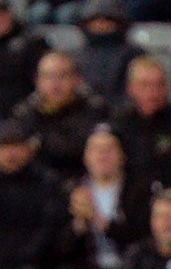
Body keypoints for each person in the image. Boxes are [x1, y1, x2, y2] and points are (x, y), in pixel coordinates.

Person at [46, 123, 150, 269]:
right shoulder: (71, 190)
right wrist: (80, 222)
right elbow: (60, 246)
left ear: (122, 155)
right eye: (95, 149)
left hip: (127, 264)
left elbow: (141, 236)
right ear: (86, 157)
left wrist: (99, 219)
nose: (102, 155)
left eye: (109, 149)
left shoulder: (139, 189)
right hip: (88, 267)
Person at [109, 55, 171, 198]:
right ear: (131, 88)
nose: (153, 92)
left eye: (159, 84)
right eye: (144, 85)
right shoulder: (118, 123)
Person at [12, 49, 104, 179]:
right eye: (48, 77)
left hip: (83, 182)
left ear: (77, 79)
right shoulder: (24, 114)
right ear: (37, 81)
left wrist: (40, 143)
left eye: (62, 76)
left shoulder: (94, 110)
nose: (55, 84)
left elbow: (75, 151)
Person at [0, 119, 63, 269]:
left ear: (30, 149)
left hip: (35, 267)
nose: (10, 154)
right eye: (4, 147)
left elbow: (49, 228)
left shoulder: (48, 183)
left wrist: (21, 258)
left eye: (16, 146)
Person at [73, 0, 141, 103]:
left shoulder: (134, 55)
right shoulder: (75, 56)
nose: (101, 24)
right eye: (96, 19)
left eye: (107, 19)